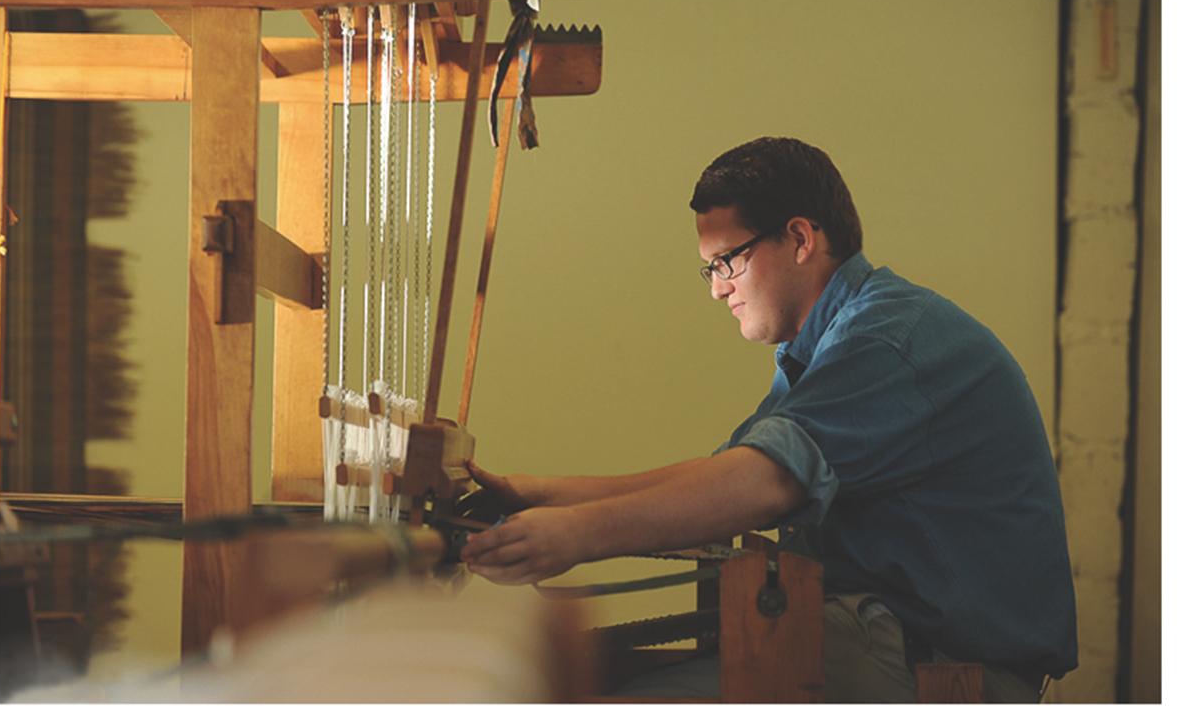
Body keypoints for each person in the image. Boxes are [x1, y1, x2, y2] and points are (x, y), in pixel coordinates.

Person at [459, 136, 1078, 702]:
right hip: (889, 639)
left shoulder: (886, 340)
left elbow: (761, 486)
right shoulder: (827, 342)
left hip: (951, 672)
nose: (716, 288)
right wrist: (534, 495)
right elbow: (724, 475)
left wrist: (578, 536)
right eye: (711, 268)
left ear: (801, 239)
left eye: (726, 261)